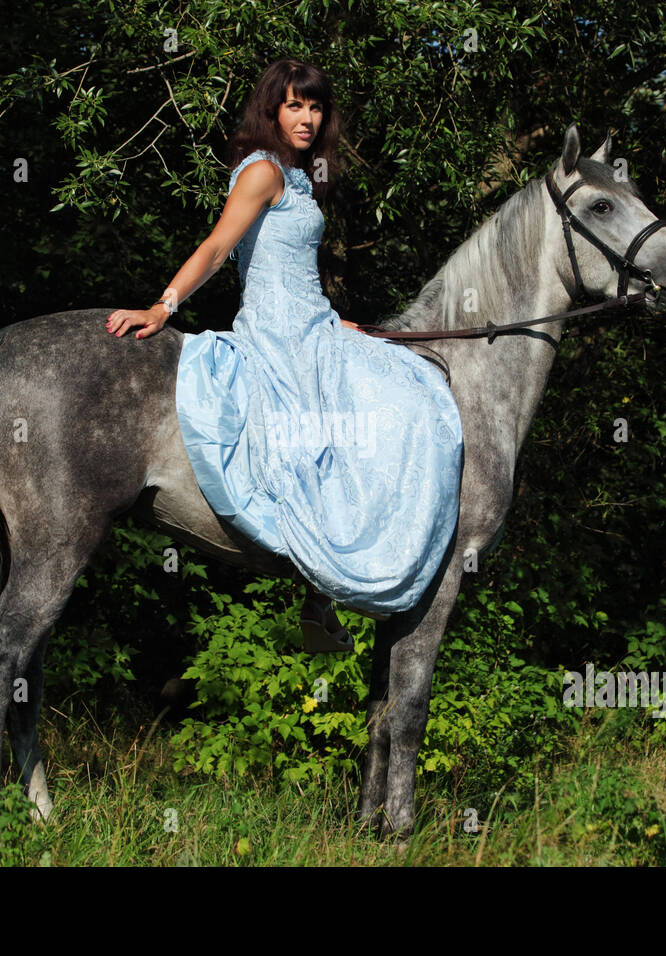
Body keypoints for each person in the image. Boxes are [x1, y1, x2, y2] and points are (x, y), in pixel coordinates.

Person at [106, 59, 463, 652]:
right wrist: (163, 307)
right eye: (294, 105)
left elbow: (291, 269)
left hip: (311, 324)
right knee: (317, 433)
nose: (306, 117)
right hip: (276, 334)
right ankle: (322, 581)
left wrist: (332, 319)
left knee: (392, 390)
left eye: (315, 106)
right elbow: (220, 245)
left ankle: (323, 590)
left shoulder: (301, 178)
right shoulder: (265, 172)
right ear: (272, 110)